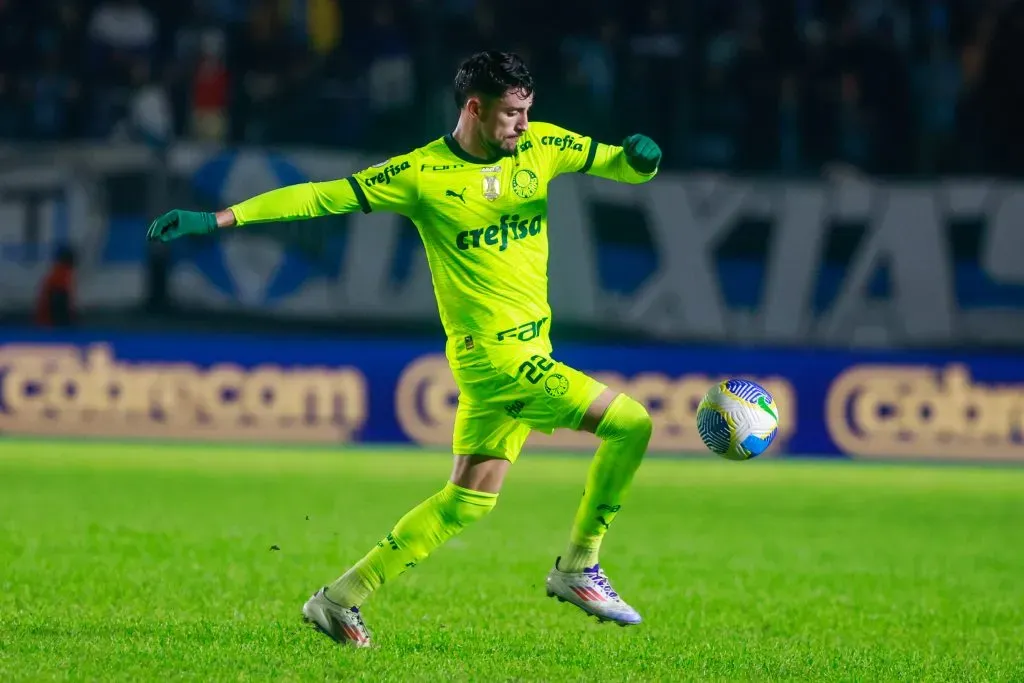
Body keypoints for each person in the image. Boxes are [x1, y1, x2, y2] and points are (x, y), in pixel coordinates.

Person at [147, 51, 662, 647]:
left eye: (528, 111)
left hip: (527, 350)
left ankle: (339, 601)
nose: (523, 125)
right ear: (475, 107)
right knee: (632, 424)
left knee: (466, 504)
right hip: (496, 360)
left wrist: (639, 161)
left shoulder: (542, 147)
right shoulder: (420, 174)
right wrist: (218, 220)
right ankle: (579, 566)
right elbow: (320, 197)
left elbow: (620, 166)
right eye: (512, 113)